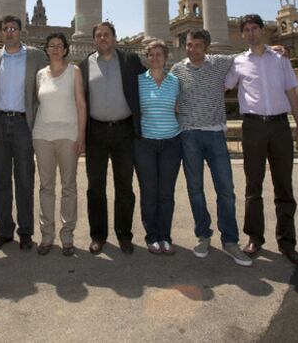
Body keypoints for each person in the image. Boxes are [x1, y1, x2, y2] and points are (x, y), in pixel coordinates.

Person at [225, 14, 298, 266]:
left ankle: (287, 243)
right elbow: (222, 86)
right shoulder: (238, 62)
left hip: (280, 125)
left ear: (261, 31)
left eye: (254, 28)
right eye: (246, 30)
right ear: (242, 35)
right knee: (253, 186)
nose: (250, 33)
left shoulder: (280, 58)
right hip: (253, 127)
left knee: (284, 186)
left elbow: (292, 92)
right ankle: (254, 238)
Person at [171, 29, 252, 267]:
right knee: (195, 189)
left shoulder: (219, 63)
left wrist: (270, 49)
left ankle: (230, 241)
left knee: (226, 189)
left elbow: (245, 56)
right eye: (188, 45)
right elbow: (171, 98)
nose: (191, 49)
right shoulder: (177, 69)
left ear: (206, 47)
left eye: (196, 45)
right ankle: (203, 235)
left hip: (215, 133)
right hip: (189, 136)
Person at [79, 21, 145, 255]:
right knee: (95, 186)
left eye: (107, 34)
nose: (103, 38)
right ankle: (98, 235)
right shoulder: (84, 65)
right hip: (95, 132)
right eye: (98, 35)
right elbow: (79, 101)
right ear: (94, 39)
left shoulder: (130, 61)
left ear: (115, 37)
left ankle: (124, 235)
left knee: (124, 186)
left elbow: (146, 87)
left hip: (124, 131)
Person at [0, 15, 47, 252]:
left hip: (23, 124)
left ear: (21, 32)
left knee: (24, 179)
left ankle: (25, 232)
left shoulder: (35, 56)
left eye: (13, 28)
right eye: (6, 29)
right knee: (0, 180)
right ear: (1, 33)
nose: (10, 32)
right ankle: (3, 231)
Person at [33, 33, 86, 256]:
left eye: (59, 46)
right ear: (46, 49)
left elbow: (81, 104)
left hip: (68, 133)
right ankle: (46, 236)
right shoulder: (39, 74)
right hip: (42, 134)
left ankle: (67, 236)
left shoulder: (74, 71)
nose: (55, 49)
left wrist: (81, 136)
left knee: (69, 186)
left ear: (65, 50)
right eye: (51, 45)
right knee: (46, 187)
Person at [134, 40, 181, 255]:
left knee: (166, 193)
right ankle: (152, 236)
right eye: (150, 54)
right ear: (146, 58)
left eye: (159, 54)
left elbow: (181, 108)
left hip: (172, 142)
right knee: (149, 191)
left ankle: (165, 236)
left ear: (166, 57)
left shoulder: (175, 82)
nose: (154, 58)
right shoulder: (138, 81)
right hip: (145, 144)